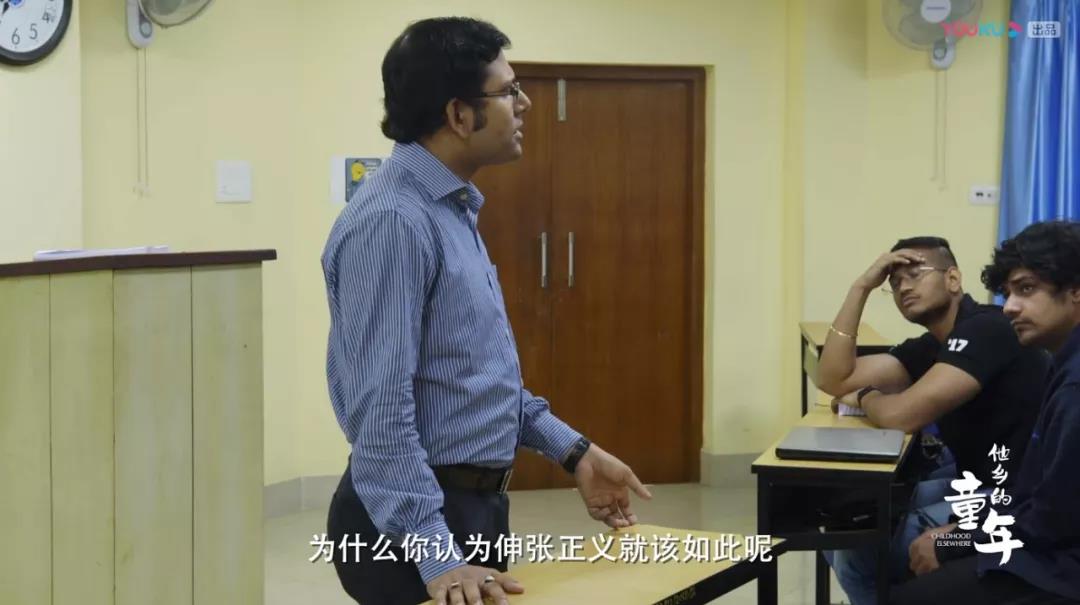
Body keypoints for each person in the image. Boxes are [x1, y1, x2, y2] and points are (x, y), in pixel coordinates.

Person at [320, 17, 651, 605]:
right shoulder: (394, 222)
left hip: (468, 508)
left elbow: (473, 383)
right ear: (458, 114)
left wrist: (574, 452)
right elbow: (380, 409)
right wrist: (437, 555)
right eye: (508, 91)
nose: (524, 104)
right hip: (412, 526)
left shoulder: (450, 209)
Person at [815, 236, 1049, 605]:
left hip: (1015, 498)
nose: (904, 288)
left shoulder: (986, 329)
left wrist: (865, 397)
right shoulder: (933, 345)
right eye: (894, 283)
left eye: (915, 275)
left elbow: (901, 417)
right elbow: (833, 378)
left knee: (859, 553)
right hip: (977, 482)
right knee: (842, 526)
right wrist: (860, 288)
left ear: (953, 279)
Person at [891, 220, 1080, 604]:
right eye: (1007, 293)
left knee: (912, 593)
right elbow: (1031, 494)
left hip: (1061, 566)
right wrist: (961, 530)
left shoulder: (1074, 386)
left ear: (1075, 290)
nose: (1009, 307)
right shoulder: (1062, 364)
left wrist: (956, 540)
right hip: (1046, 541)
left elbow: (1049, 522)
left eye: (1026, 289)